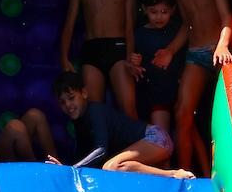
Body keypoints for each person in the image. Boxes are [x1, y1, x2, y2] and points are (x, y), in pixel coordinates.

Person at [150, 0, 232, 177]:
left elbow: (227, 17)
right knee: (182, 112)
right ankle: (184, 172)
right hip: (196, 53)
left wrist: (223, 44)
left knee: (224, 115)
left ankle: (226, 173)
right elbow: (188, 25)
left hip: (219, 51)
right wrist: (170, 51)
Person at [49, 71, 194, 178]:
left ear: (84, 93)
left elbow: (101, 149)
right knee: (113, 166)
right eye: (62, 102)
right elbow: (82, 154)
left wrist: (72, 169)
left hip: (155, 138)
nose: (68, 105)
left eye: (71, 98)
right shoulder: (79, 121)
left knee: (112, 166)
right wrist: (64, 168)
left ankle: (174, 174)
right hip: (150, 145)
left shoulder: (94, 111)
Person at [59, 0, 138, 118]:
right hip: (92, 49)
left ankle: (139, 147)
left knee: (128, 108)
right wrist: (64, 57)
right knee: (92, 110)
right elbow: (69, 25)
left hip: (118, 48)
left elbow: (130, 29)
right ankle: (100, 148)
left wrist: (129, 58)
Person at [127, 0, 186, 135]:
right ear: (145, 9)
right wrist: (136, 62)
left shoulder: (177, 31)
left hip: (178, 91)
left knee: (188, 128)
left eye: (164, 12)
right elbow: (138, 63)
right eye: (154, 12)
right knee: (160, 136)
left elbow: (185, 57)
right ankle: (165, 160)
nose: (159, 17)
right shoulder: (140, 34)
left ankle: (200, 159)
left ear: (172, 10)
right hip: (156, 96)